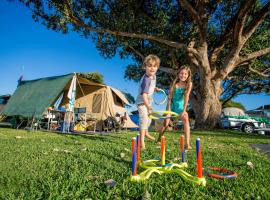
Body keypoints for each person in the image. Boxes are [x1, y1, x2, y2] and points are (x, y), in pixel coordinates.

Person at [157, 65, 193, 150]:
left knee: (186, 120)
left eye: (185, 74)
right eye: (181, 73)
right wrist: (168, 110)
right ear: (178, 74)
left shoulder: (189, 84)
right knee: (166, 123)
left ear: (188, 75)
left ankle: (187, 144)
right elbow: (169, 98)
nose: (183, 75)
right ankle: (159, 138)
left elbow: (186, 97)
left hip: (181, 106)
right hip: (171, 105)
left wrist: (184, 110)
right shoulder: (174, 84)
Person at [136, 54, 161, 150]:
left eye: (154, 66)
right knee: (144, 120)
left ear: (157, 67)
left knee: (149, 120)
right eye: (149, 65)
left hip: (148, 102)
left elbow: (150, 89)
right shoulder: (146, 80)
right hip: (142, 103)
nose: (152, 68)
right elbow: (144, 94)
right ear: (145, 67)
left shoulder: (153, 77)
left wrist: (155, 89)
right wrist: (148, 106)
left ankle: (146, 133)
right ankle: (141, 142)